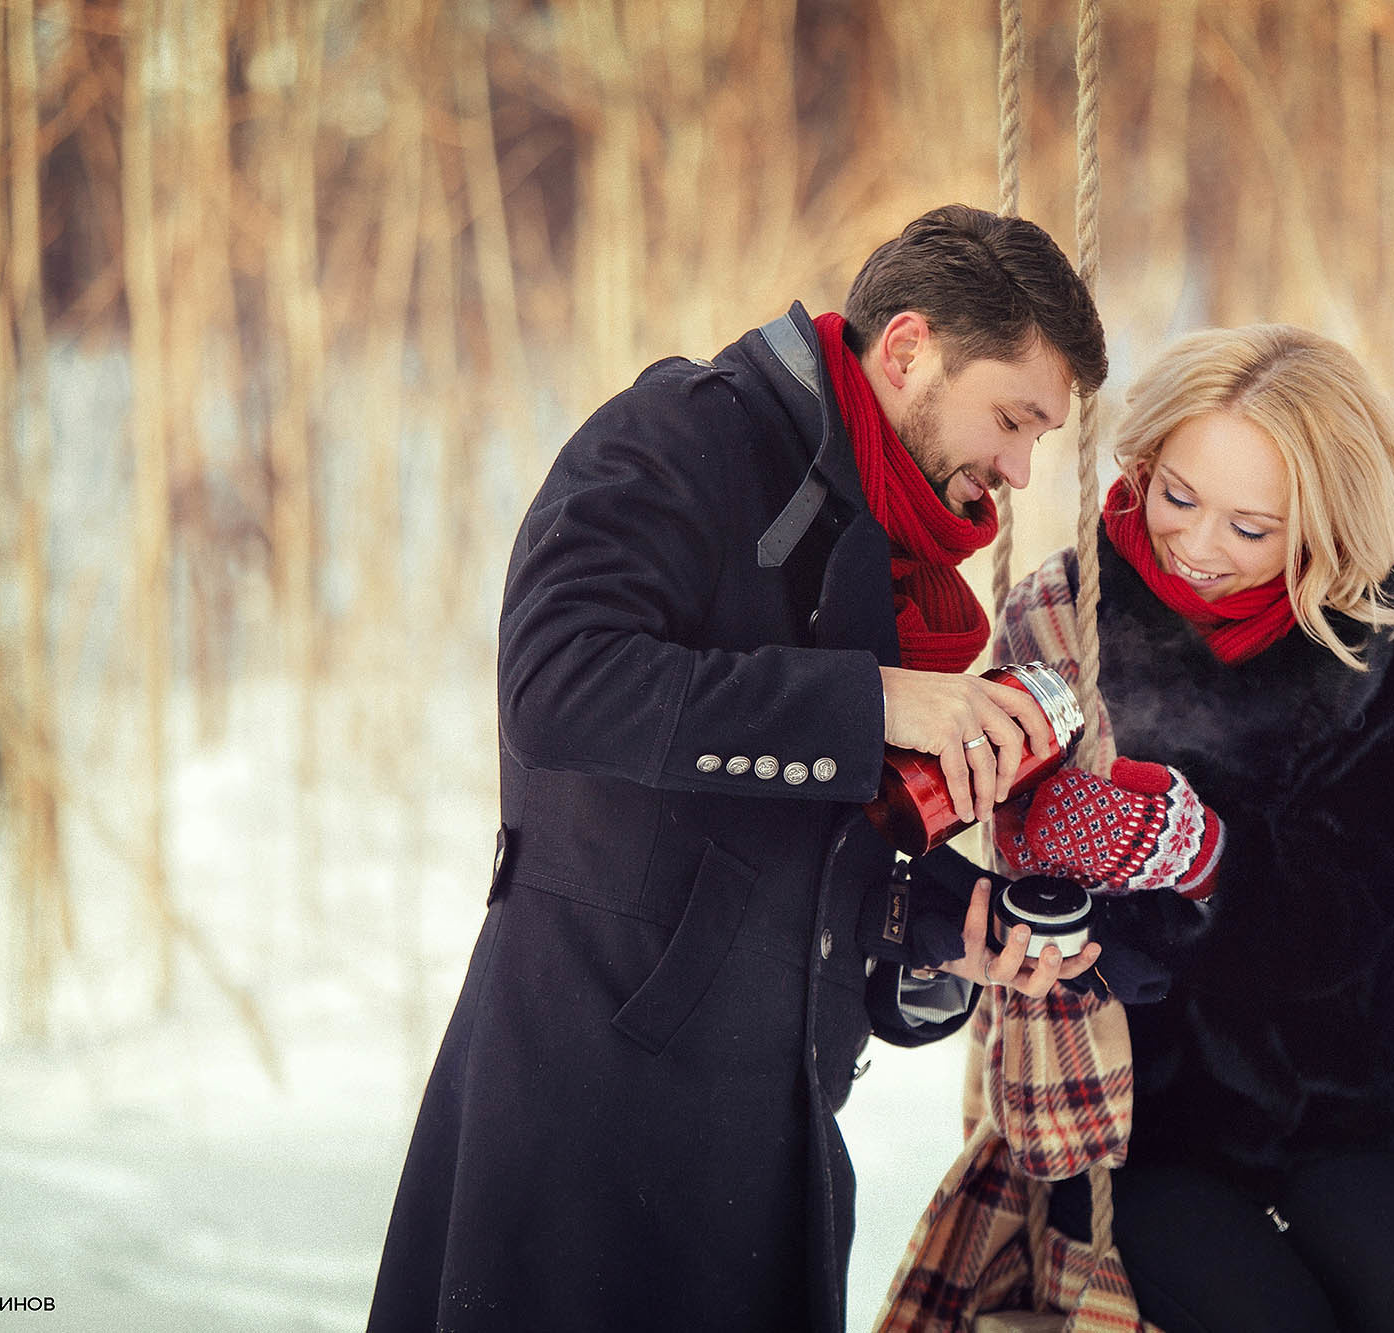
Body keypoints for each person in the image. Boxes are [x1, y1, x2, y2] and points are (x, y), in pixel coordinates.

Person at [366, 204, 1110, 1333]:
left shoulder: (889, 543)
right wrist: (874, 701)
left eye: (1038, 439)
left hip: (771, 1143)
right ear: (907, 349)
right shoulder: (678, 435)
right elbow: (557, 685)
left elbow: (790, 839)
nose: (1016, 467)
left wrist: (946, 923)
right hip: (588, 1124)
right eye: (1011, 418)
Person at [973, 325, 1394, 1331]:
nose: (1200, 548)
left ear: (1321, 524)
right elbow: (1017, 853)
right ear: (1144, 463)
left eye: (1251, 528)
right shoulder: (1067, 613)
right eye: (1177, 498)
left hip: (1340, 1102)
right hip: (1142, 1123)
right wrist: (1051, 846)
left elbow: (1339, 911)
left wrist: (1202, 853)